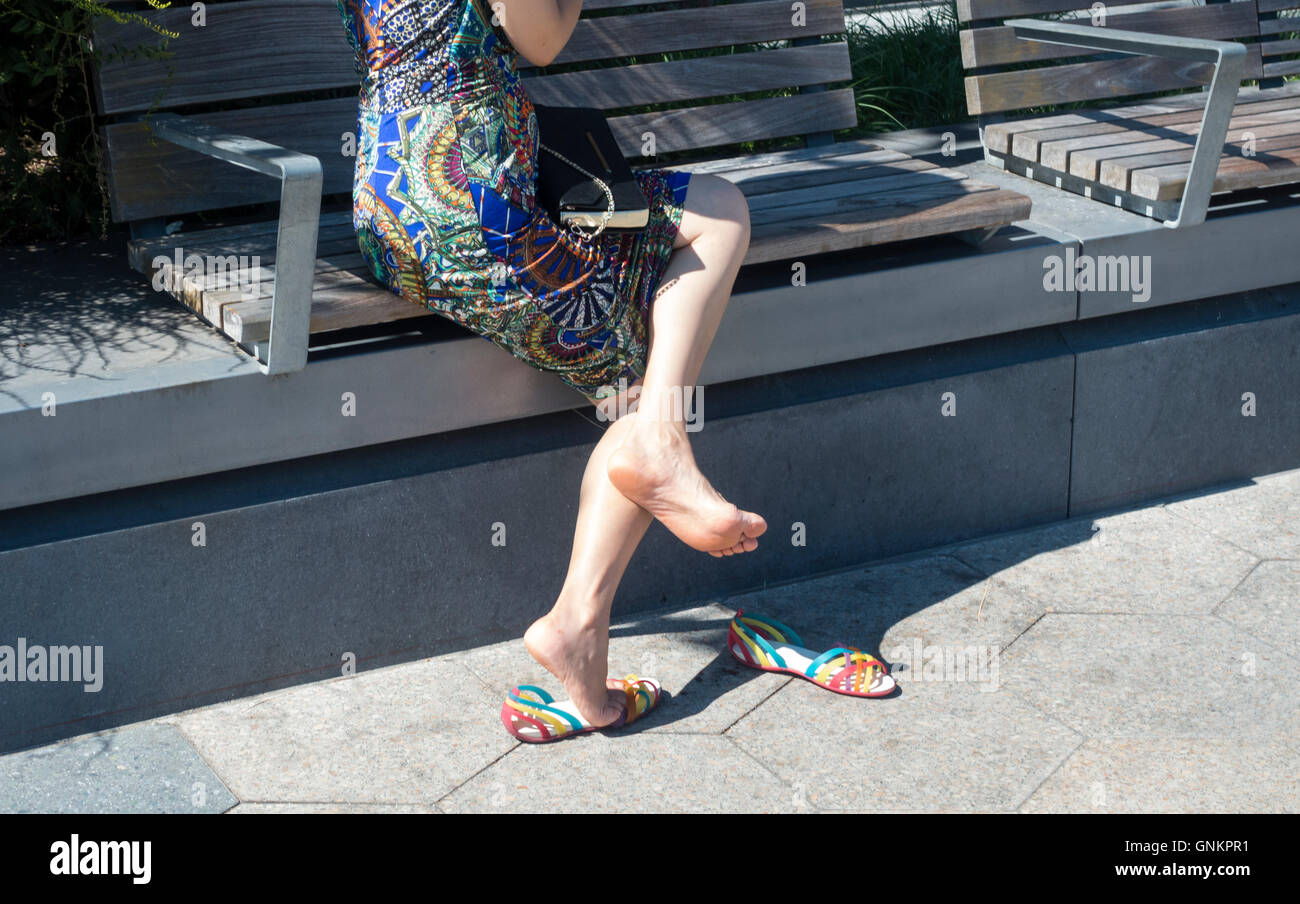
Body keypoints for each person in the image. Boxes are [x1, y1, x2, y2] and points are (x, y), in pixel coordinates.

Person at [338, 0, 766, 731]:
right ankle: (598, 576)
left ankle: (588, 608)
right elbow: (539, 37)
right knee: (661, 344)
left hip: (390, 199)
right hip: (475, 213)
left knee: (710, 215)